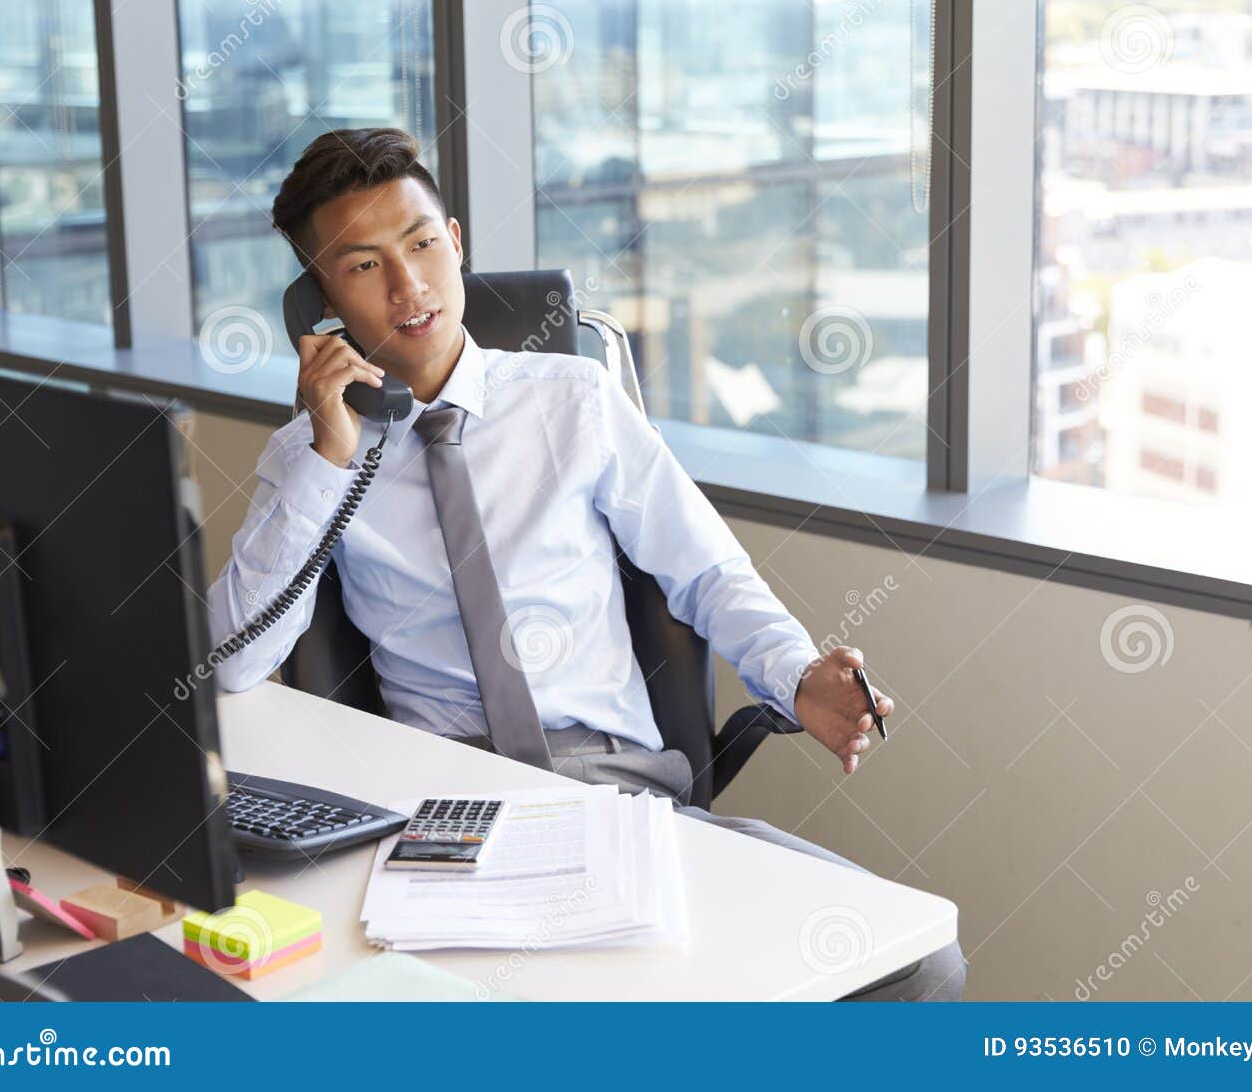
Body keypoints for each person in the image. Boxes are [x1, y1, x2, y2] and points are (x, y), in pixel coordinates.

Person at [208, 127, 966, 1001]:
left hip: (617, 801)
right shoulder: (313, 461)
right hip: (445, 821)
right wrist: (327, 455)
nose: (409, 285)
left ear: (454, 243)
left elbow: (708, 569)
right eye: (364, 265)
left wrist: (798, 677)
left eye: (420, 244)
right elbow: (234, 662)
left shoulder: (575, 401)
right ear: (321, 301)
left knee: (920, 966)